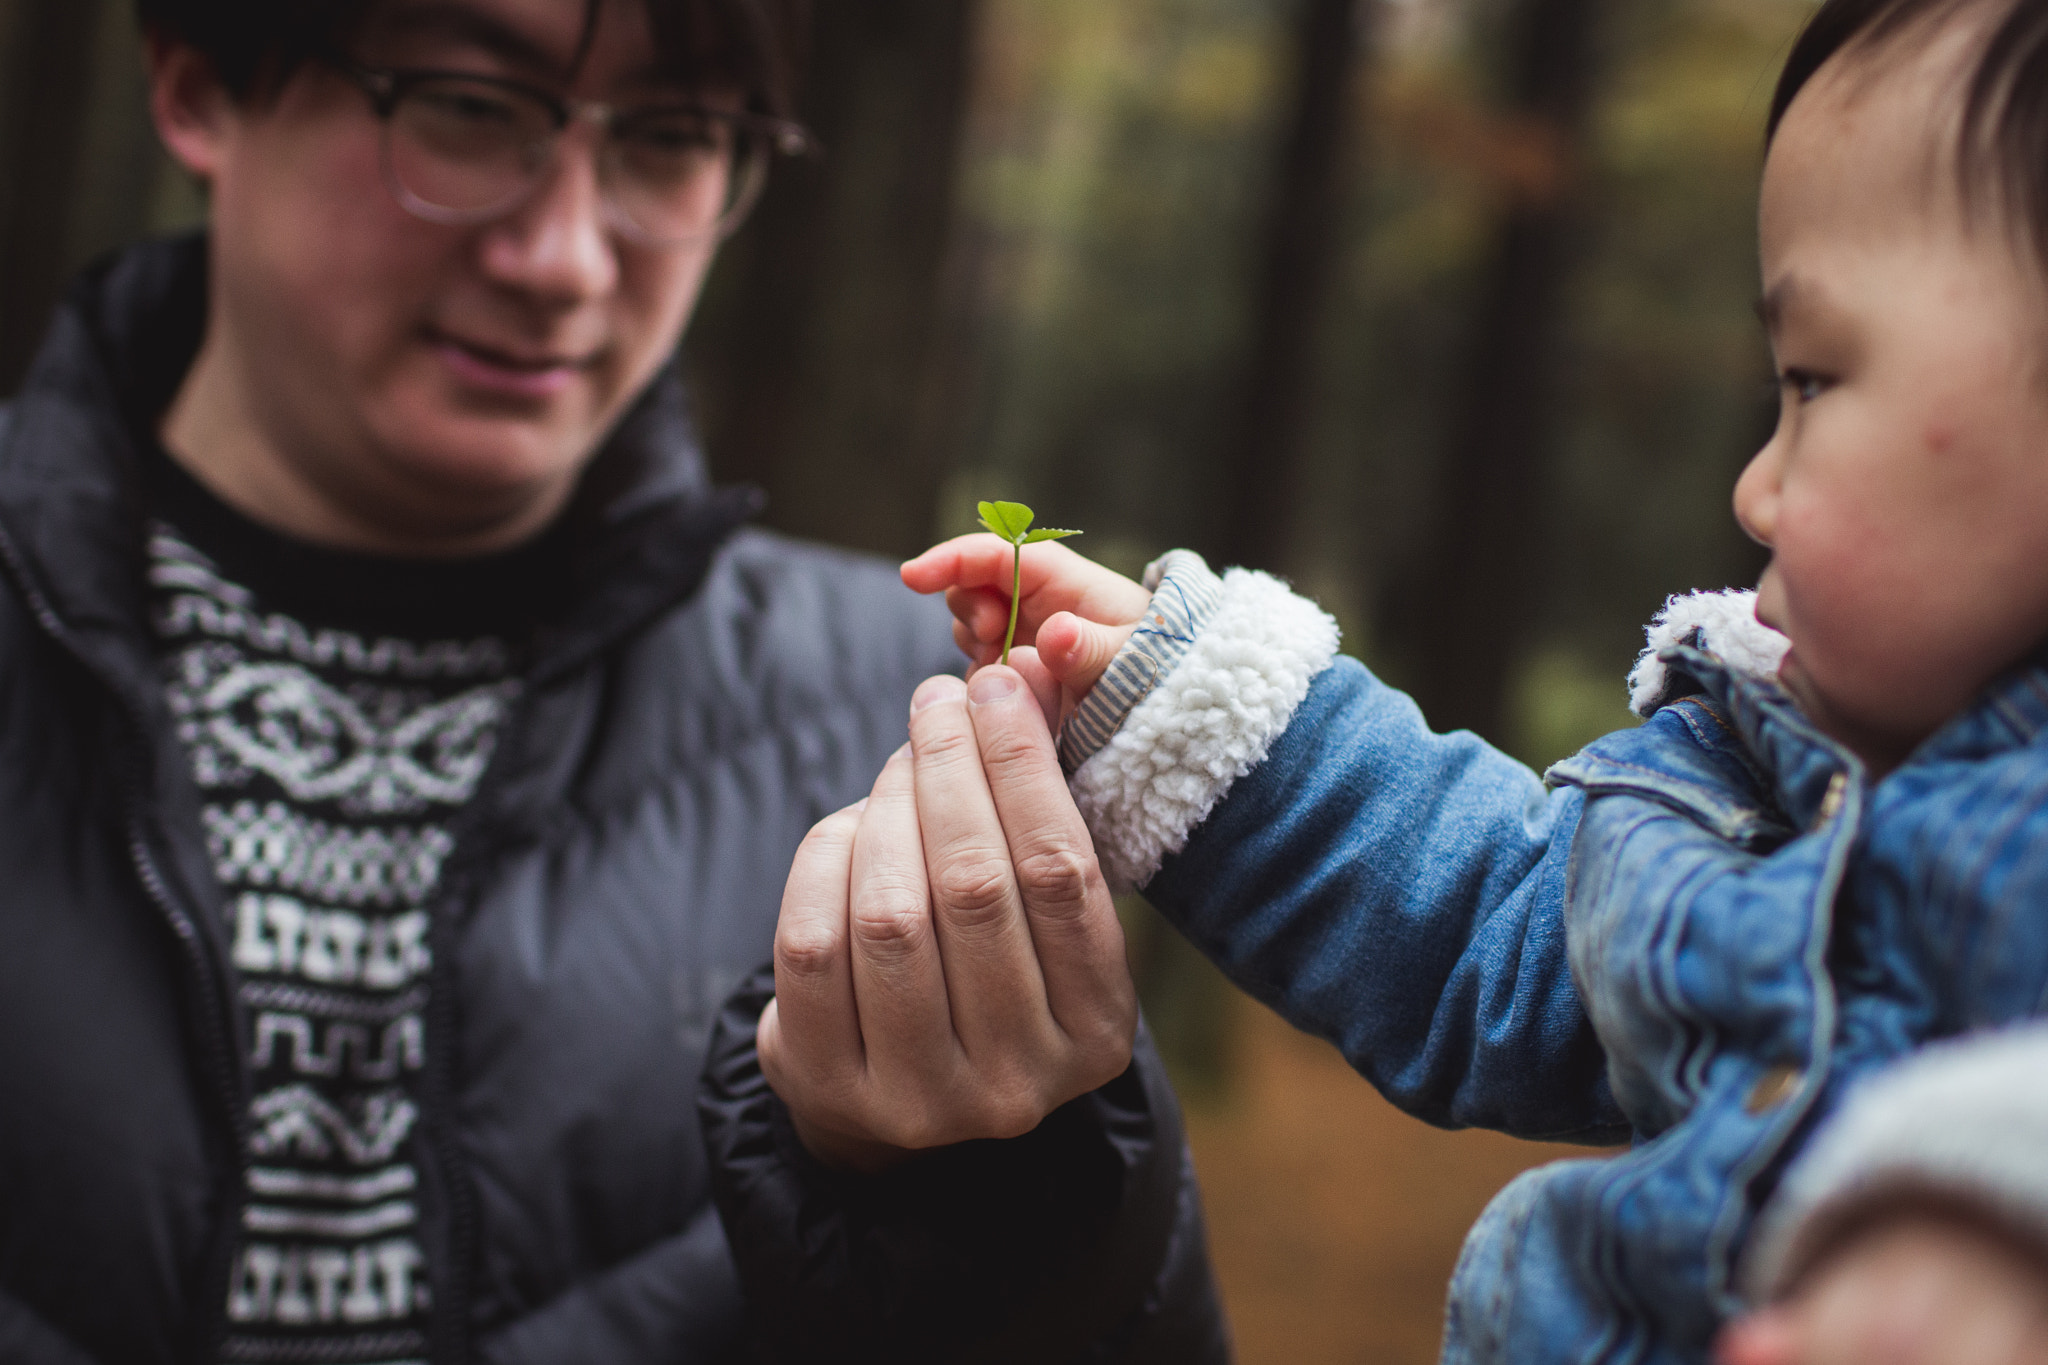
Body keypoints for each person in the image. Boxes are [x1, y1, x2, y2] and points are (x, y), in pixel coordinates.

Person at [0, 0, 1227, 1361]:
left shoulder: (918, 723)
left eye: (671, 135)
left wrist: (989, 1213)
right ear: (195, 85)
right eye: (466, 107)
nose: (567, 258)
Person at [903, 0, 2048, 1360]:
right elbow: (1502, 916)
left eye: (1812, 379)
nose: (1755, 490)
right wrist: (1175, 689)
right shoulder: (1758, 799)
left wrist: (1990, 1213)